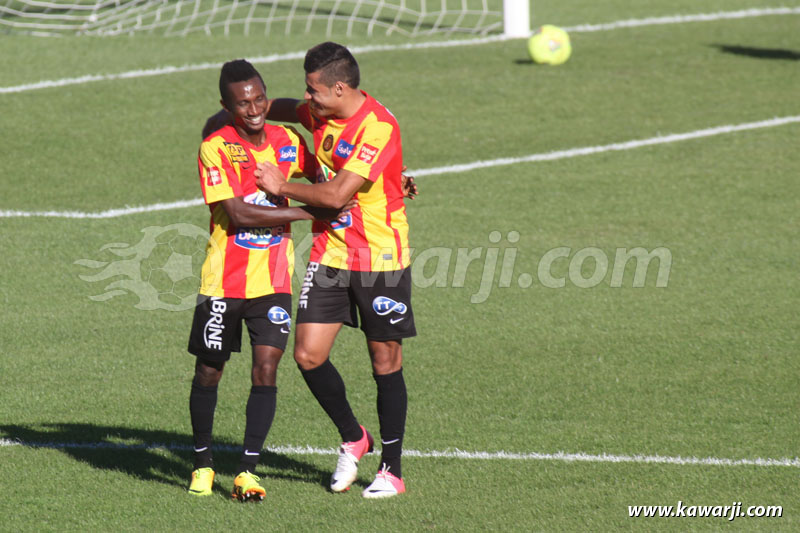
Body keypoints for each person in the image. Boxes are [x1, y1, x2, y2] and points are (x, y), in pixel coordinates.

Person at [255, 41, 415, 499]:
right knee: (307, 354)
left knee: (384, 360)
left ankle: (391, 469)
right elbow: (283, 108)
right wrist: (250, 112)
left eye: (314, 91)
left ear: (340, 87)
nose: (307, 99)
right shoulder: (319, 113)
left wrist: (280, 184)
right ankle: (354, 437)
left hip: (380, 258)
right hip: (331, 253)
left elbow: (336, 196)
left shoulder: (377, 128)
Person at [187, 58, 347, 501]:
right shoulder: (215, 147)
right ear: (227, 105)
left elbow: (327, 178)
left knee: (267, 369)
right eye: (243, 102)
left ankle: (247, 471)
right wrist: (305, 211)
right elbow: (236, 214)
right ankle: (202, 463)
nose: (254, 108)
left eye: (259, 98)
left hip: (273, 280)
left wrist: (388, 183)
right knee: (209, 370)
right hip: (222, 281)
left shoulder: (289, 141)